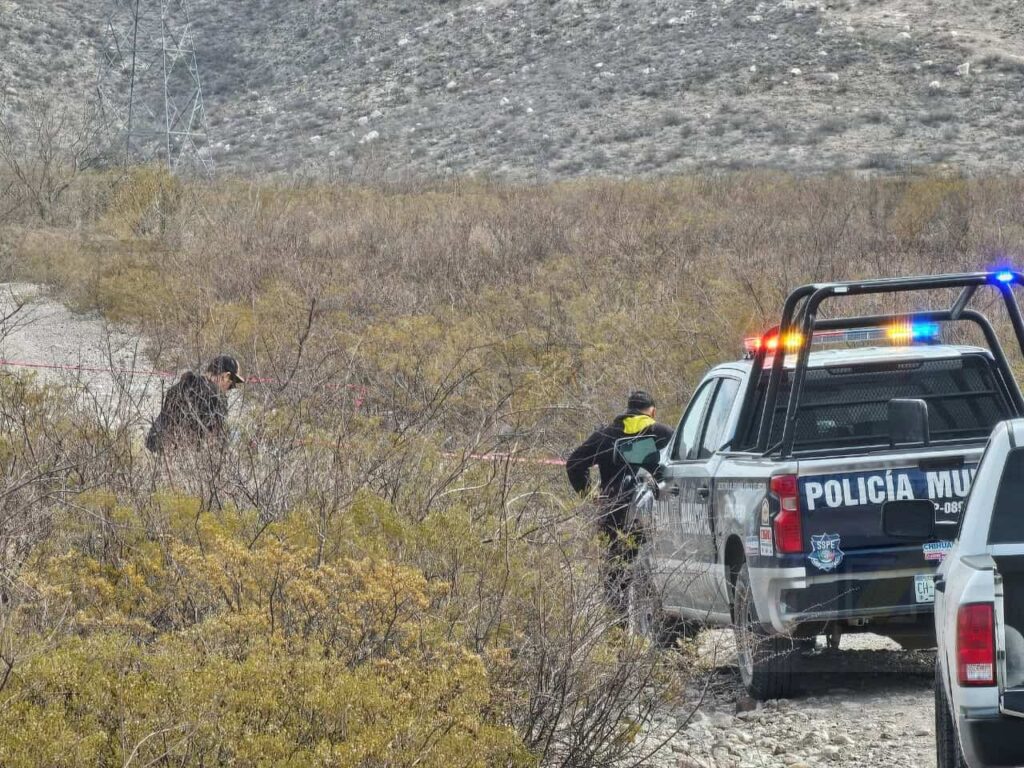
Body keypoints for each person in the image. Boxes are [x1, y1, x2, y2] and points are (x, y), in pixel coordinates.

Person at [566, 390, 674, 610]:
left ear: (627, 410)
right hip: (654, 515)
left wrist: (589, 494)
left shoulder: (605, 435)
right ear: (652, 411)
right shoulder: (662, 433)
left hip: (613, 511)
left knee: (616, 576)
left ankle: (618, 634)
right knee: (657, 571)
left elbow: (574, 463)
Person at [146, 355, 245, 454]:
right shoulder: (218, 397)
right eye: (231, 385)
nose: (229, 389)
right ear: (226, 376)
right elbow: (217, 442)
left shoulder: (178, 388)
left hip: (161, 453)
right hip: (189, 459)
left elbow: (160, 427)